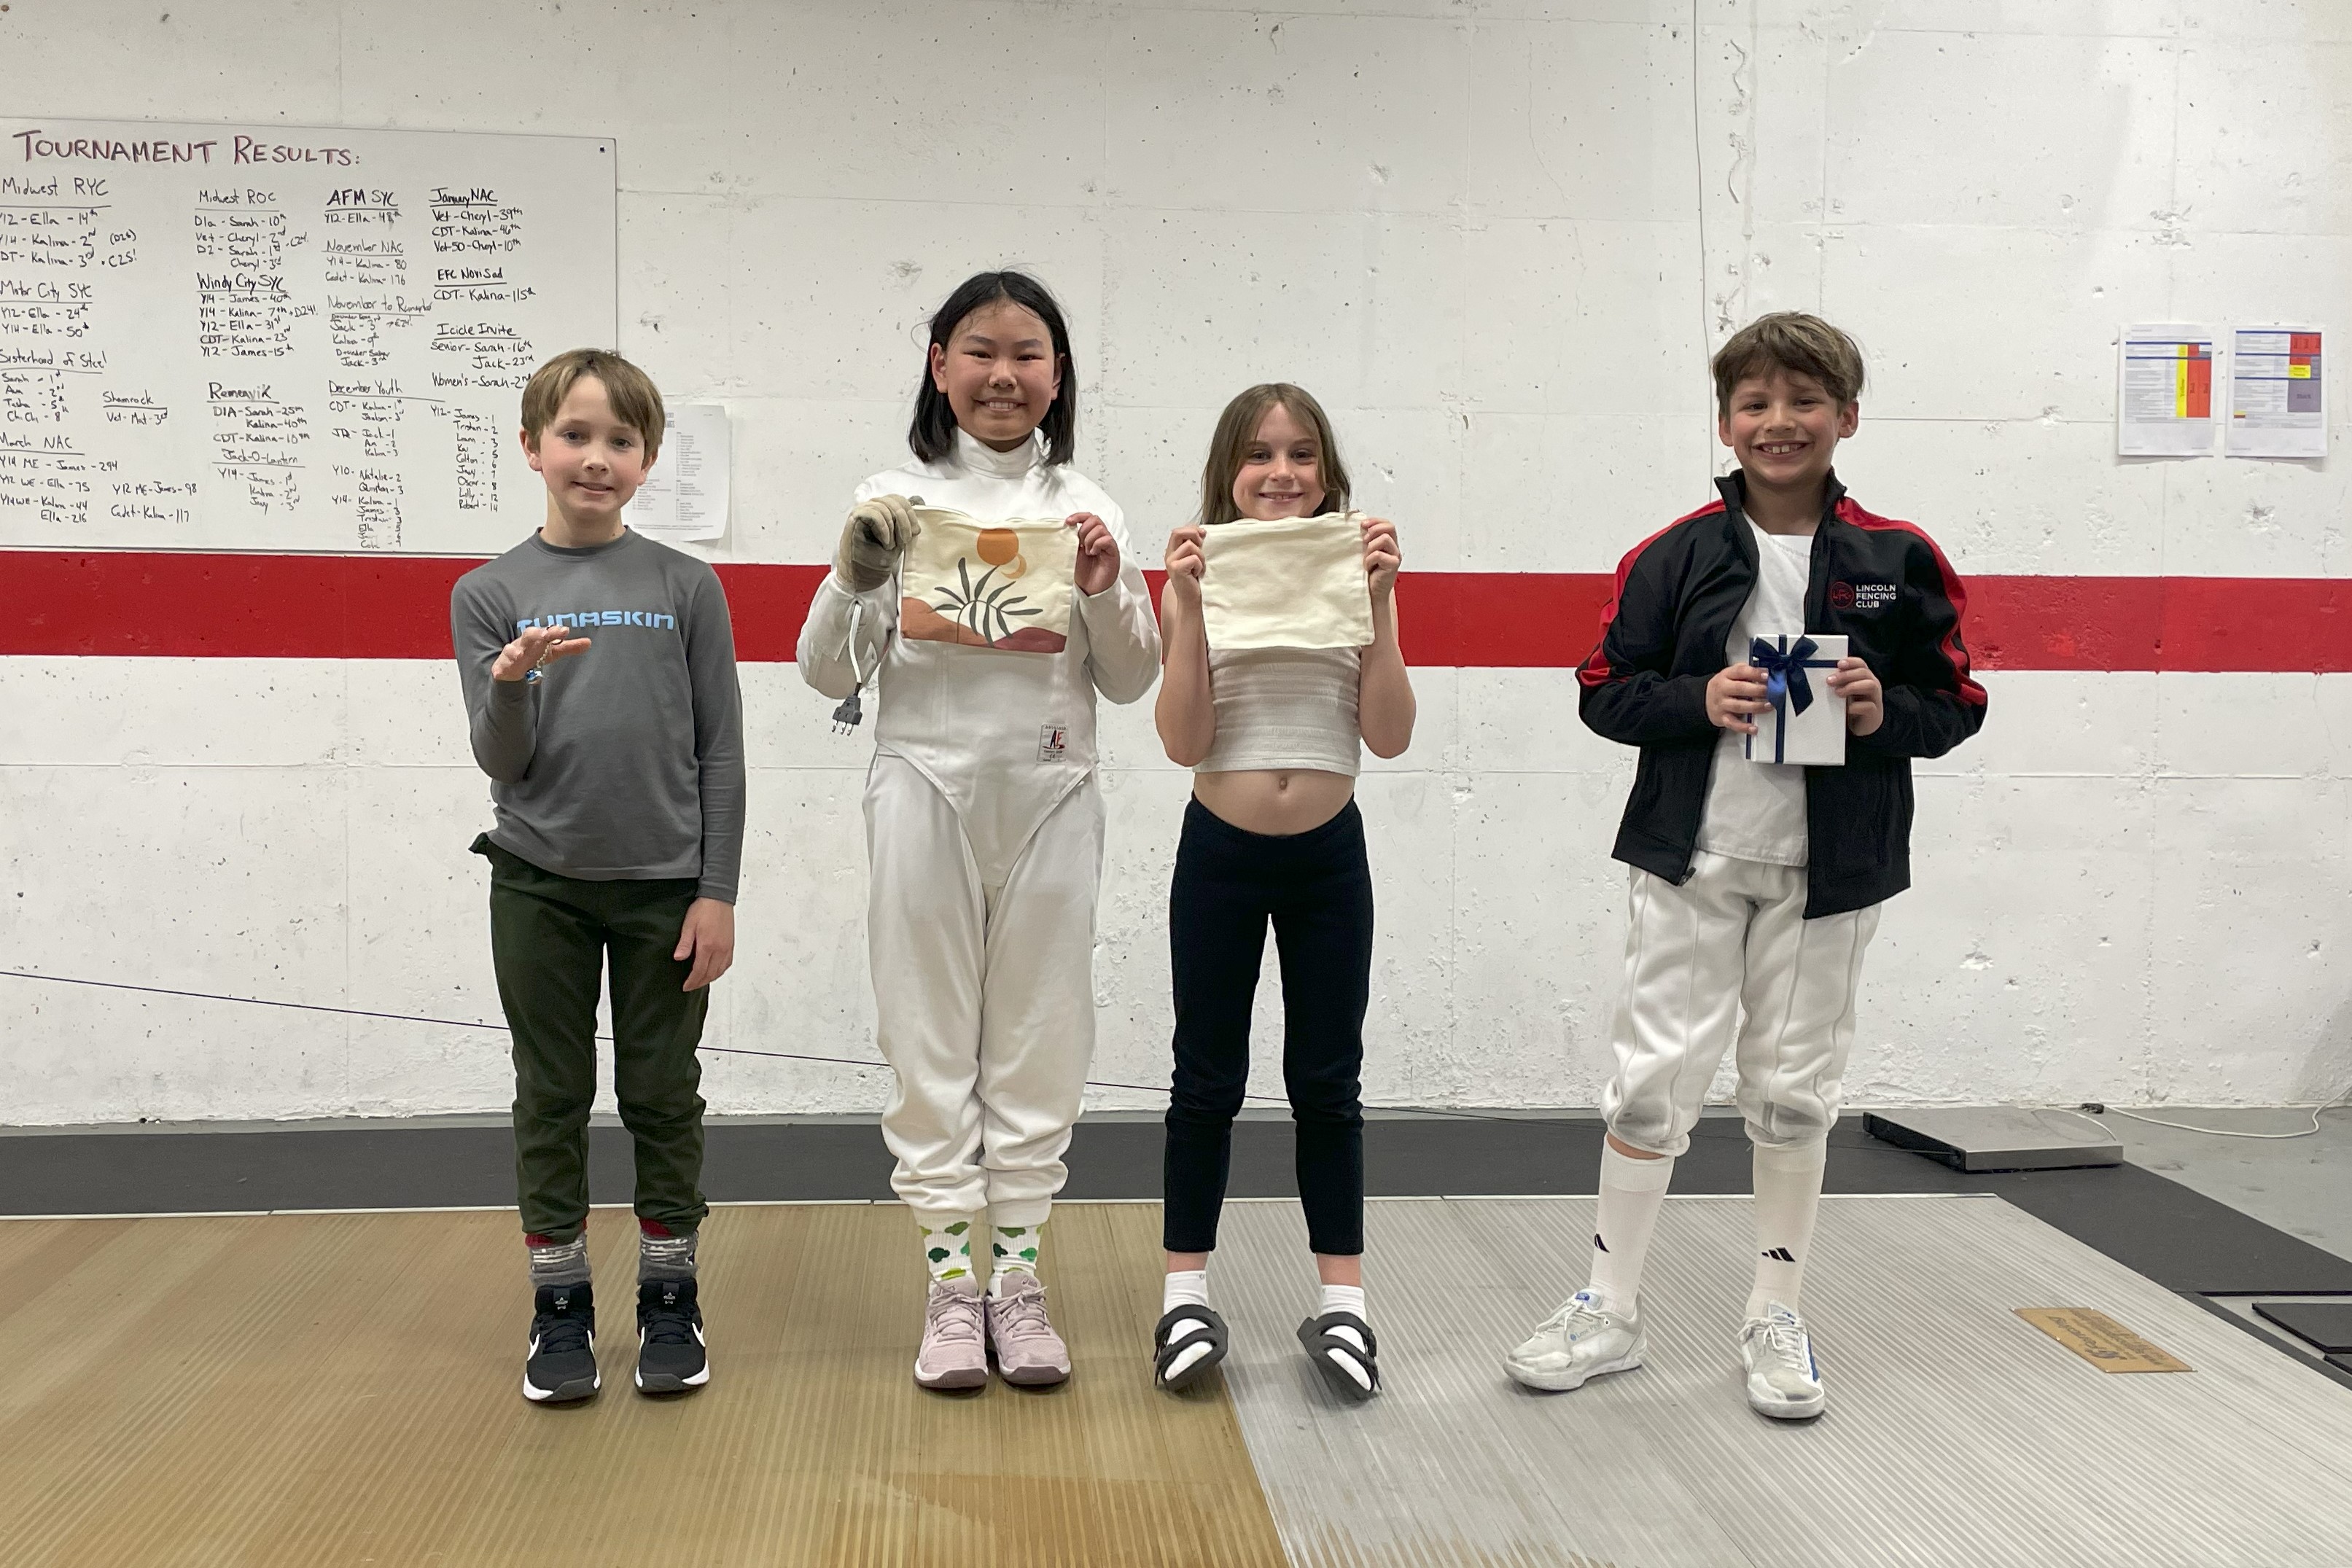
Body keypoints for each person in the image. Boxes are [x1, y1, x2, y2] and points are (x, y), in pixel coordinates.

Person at [1505, 313, 1986, 1419]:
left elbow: (1956, 702)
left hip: (1831, 871)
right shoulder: (1674, 553)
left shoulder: (1898, 558)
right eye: (1755, 403)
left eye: (1804, 400)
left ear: (1846, 417)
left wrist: (1881, 709)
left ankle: (1776, 1312)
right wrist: (1697, 698)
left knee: (1792, 1089)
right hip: (1692, 858)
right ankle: (1608, 1305)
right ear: (1725, 423)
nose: (1780, 422)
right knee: (1651, 1082)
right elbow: (1602, 690)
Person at [796, 270, 1159, 1390]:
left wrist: (1104, 587)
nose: (1003, 375)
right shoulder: (890, 497)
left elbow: (1132, 679)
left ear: (1058, 373)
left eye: (1027, 354)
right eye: (980, 351)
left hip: (1052, 797)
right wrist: (857, 572)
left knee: (1041, 1040)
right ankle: (951, 1286)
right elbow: (825, 672)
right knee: (926, 1037)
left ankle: (1018, 1282)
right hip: (922, 788)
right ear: (939, 364)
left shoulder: (1088, 505)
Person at [450, 348, 744, 1404]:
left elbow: (721, 752)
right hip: (539, 884)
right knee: (552, 1093)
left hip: (667, 890)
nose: (596, 457)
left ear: (647, 460)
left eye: (621, 440)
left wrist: (717, 892)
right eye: (574, 435)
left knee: (662, 1093)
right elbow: (500, 760)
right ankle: (560, 1306)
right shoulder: (488, 593)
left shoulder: (685, 586)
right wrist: (512, 684)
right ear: (533, 447)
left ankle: (669, 1296)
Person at [1148, 383, 1414, 1400]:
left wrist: (1380, 605)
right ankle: (1183, 1295)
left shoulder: (1353, 576)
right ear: (1228, 474)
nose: (1281, 473)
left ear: (1327, 473)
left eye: (1302, 454)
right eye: (1259, 455)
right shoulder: (1202, 576)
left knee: (1327, 1081)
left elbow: (1388, 734)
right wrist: (1184, 609)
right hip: (1220, 850)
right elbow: (1184, 742)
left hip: (1327, 857)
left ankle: (1345, 1302)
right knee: (1205, 1079)